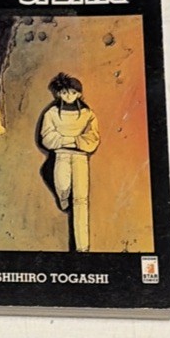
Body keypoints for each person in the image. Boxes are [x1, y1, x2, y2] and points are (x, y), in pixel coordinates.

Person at [39, 73, 101, 251]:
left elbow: (92, 136)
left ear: (79, 94)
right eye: (65, 92)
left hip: (81, 157)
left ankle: (83, 247)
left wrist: (71, 141)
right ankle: (64, 198)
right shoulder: (51, 113)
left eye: (73, 93)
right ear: (59, 93)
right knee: (62, 185)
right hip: (61, 155)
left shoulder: (87, 114)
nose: (69, 96)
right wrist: (71, 140)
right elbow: (47, 136)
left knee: (81, 200)